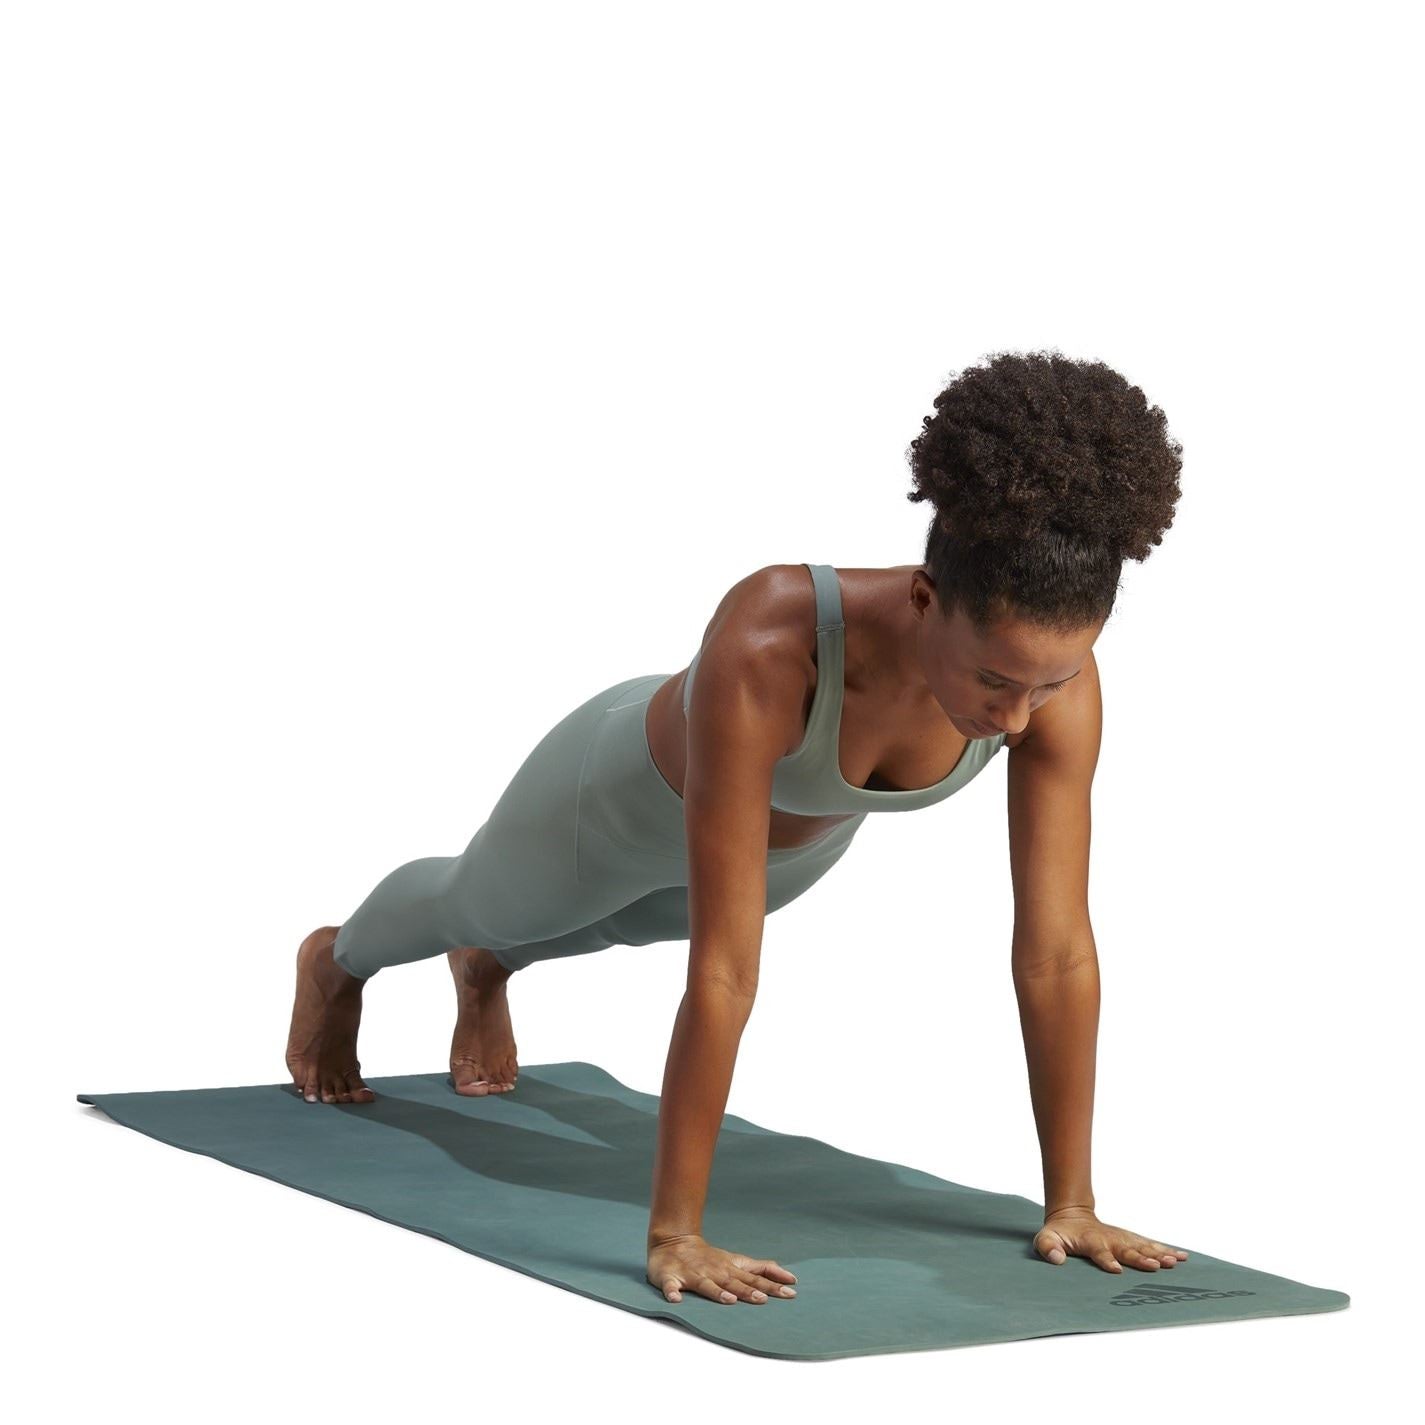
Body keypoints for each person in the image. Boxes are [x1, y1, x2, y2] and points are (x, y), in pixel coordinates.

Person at [284, 349, 1191, 1307]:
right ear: (926, 598)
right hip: (610, 806)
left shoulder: (1055, 683)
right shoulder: (774, 632)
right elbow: (724, 970)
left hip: (793, 854)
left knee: (603, 930)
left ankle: (487, 970)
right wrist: (675, 1231)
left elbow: (1055, 950)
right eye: (994, 680)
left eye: (1047, 683)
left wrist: (1073, 1203)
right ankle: (337, 961)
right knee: (476, 900)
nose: (1015, 717)